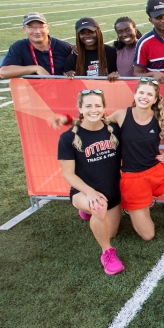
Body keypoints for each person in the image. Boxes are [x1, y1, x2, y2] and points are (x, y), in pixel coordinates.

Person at [56, 78, 164, 237]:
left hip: (157, 174)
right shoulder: (121, 115)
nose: (144, 97)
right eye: (141, 92)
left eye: (149, 94)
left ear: (155, 98)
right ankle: (131, 206)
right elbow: (94, 122)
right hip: (132, 180)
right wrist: (69, 121)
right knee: (148, 235)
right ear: (135, 94)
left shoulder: (162, 119)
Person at [56, 89, 125, 275]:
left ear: (104, 108)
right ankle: (107, 253)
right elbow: (68, 174)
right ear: (80, 108)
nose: (93, 110)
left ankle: (87, 210)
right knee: (99, 207)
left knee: (111, 231)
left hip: (112, 192)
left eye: (97, 105)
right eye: (88, 106)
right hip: (84, 192)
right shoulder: (68, 138)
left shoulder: (114, 131)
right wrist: (90, 193)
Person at [0, 12, 74, 79]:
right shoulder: (19, 47)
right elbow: (3, 72)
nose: (37, 31)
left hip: (62, 91)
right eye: (31, 27)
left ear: (47, 28)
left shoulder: (64, 47)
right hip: (35, 92)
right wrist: (36, 68)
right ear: (24, 29)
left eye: (41, 27)